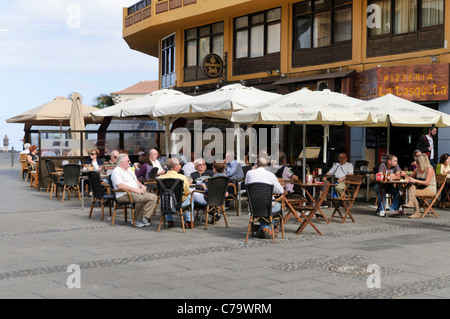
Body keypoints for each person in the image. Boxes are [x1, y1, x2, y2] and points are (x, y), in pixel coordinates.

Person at [110, 153, 158, 228]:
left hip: (134, 192)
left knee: (153, 197)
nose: (130, 162)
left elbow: (136, 181)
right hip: (123, 194)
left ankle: (144, 217)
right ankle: (137, 219)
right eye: (128, 161)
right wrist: (135, 190)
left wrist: (141, 186)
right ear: (121, 163)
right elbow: (120, 186)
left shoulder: (129, 170)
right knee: (140, 198)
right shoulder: (116, 171)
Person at [245, 156, 284, 239]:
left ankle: (263, 228)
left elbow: (247, 186)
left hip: (253, 207)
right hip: (268, 206)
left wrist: (253, 170)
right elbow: (281, 191)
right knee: (279, 207)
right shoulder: (271, 175)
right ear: (266, 165)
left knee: (262, 211)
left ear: (256, 164)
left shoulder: (249, 173)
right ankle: (267, 228)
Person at [158, 157, 193, 229]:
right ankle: (188, 221)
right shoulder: (182, 178)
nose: (180, 166)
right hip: (179, 203)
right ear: (175, 167)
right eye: (179, 164)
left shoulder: (160, 178)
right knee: (189, 196)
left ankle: (170, 221)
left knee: (167, 196)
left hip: (166, 204)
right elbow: (187, 191)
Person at [404, 154, 436, 218]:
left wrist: (415, 181)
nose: (415, 163)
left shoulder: (429, 169)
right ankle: (411, 205)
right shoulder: (417, 169)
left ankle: (417, 212)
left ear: (421, 162)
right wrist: (403, 175)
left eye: (417, 161)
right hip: (421, 188)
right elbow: (409, 178)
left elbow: (427, 183)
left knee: (412, 193)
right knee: (411, 186)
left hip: (429, 189)